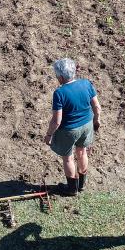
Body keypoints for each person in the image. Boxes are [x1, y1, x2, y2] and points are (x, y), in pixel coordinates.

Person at [42, 58, 102, 197]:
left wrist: (49, 135)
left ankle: (71, 189)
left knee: (68, 158)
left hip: (68, 130)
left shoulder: (59, 93)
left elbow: (57, 121)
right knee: (82, 152)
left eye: (57, 76)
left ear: (61, 77)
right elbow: (97, 107)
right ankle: (81, 185)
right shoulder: (86, 84)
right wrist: (96, 120)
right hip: (86, 125)